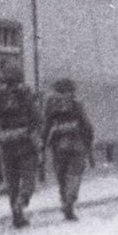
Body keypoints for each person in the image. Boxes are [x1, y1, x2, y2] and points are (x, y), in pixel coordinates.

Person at [0, 61, 42, 228]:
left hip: (6, 142)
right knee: (28, 177)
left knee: (12, 181)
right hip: (25, 141)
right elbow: (36, 117)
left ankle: (17, 217)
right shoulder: (25, 94)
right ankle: (22, 200)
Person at [43, 79, 95, 220]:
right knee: (74, 175)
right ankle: (69, 203)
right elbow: (87, 125)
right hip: (77, 144)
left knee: (62, 176)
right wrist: (89, 143)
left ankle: (65, 201)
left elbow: (46, 125)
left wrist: (43, 144)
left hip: (58, 145)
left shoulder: (51, 105)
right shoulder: (77, 103)